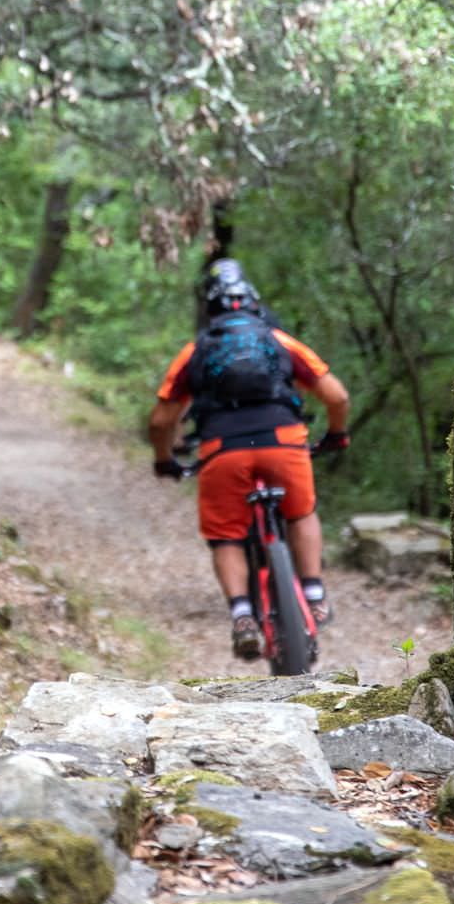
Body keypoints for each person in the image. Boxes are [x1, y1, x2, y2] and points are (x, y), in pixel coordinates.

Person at [148, 259, 350, 659]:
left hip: (222, 450)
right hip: (283, 441)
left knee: (226, 535)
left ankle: (242, 615)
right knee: (300, 512)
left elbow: (162, 419)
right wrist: (337, 434)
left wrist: (164, 458)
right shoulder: (280, 341)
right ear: (255, 303)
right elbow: (337, 396)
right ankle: (313, 594)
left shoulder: (196, 350)